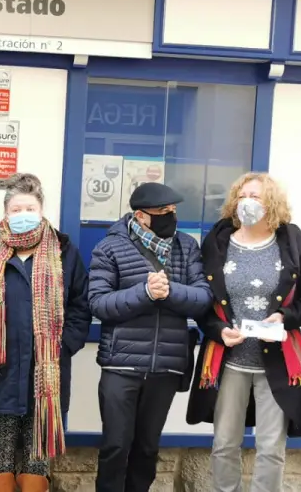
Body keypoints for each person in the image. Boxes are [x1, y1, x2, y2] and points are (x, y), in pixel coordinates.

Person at [186, 172, 301, 492]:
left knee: (271, 448)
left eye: (255, 197)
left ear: (271, 204)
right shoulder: (217, 242)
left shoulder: (291, 243)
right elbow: (203, 304)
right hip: (229, 360)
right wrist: (219, 330)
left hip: (276, 362)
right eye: (242, 196)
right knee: (224, 444)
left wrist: (284, 318)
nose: (247, 202)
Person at [0, 173, 92, 492]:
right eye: (16, 209)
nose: (23, 215)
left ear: (41, 210)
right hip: (1, 369)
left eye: (29, 208)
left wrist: (65, 345)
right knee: (0, 459)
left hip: (46, 373)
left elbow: (81, 303)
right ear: (6, 213)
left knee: (37, 462)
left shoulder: (63, 252)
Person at [88, 182, 213, 492]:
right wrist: (144, 293)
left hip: (166, 366)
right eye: (162, 211)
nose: (170, 216)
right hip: (121, 365)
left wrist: (168, 291)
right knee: (115, 446)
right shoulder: (110, 247)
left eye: (173, 210)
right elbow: (99, 303)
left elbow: (203, 298)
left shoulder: (187, 247)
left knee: (147, 448)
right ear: (141, 216)